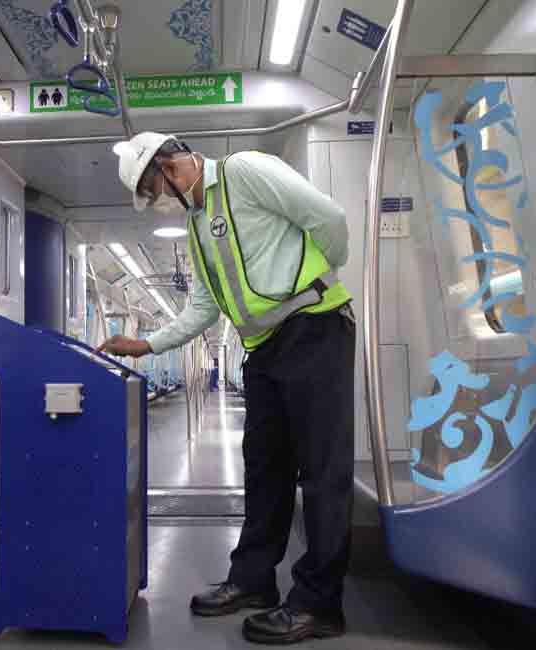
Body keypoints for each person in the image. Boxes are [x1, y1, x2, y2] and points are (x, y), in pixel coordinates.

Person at [100, 132, 356, 645]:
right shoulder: (197, 226)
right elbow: (203, 306)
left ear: (170, 168)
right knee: (264, 467)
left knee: (322, 470)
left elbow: (329, 219)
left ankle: (318, 603)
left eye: (157, 188)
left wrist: (313, 288)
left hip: (314, 326)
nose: (164, 199)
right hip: (262, 348)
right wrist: (145, 345)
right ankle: (253, 580)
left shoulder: (245, 170)